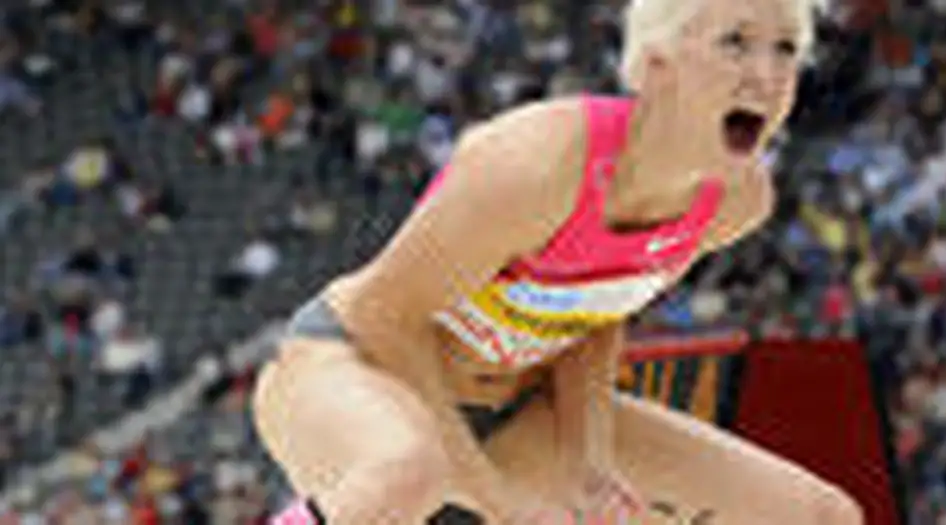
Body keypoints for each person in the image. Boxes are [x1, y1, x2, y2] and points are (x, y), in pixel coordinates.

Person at [254, 0, 865, 522]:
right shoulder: (537, 161)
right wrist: (494, 500)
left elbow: (592, 315)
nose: (767, 75)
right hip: (356, 370)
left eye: (787, 50)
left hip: (515, 412)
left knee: (823, 516)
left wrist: (588, 461)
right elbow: (384, 318)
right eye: (735, 43)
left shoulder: (737, 203)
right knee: (407, 475)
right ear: (657, 64)